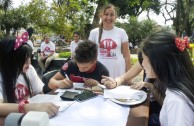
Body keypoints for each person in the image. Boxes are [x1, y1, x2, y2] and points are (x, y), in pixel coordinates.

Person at [105, 31, 194, 125]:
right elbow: (124, 77)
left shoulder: (176, 102)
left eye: (144, 59)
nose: (142, 65)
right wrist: (115, 82)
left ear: (158, 61)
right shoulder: (177, 90)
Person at [0, 32, 59, 118]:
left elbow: (40, 94)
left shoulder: (29, 69)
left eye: (29, 59)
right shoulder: (2, 76)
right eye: (24, 61)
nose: (29, 64)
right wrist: (29, 107)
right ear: (9, 62)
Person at [89, 4, 131, 79]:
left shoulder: (121, 32)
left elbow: (127, 57)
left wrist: (129, 77)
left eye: (112, 15)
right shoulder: (93, 33)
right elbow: (89, 56)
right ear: (101, 16)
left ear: (115, 17)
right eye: (106, 14)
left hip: (118, 72)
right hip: (99, 72)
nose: (109, 17)